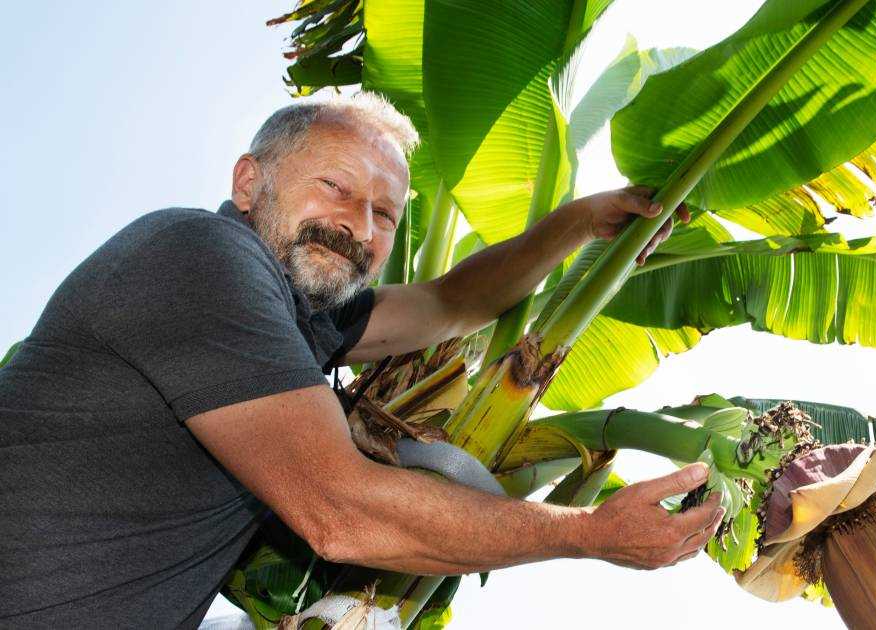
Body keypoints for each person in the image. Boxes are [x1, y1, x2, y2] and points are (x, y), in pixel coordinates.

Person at [0, 93, 724, 628]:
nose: (358, 227)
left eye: (385, 214)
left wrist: (578, 224)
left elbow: (452, 301)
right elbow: (337, 510)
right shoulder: (198, 258)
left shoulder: (304, 314)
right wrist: (589, 534)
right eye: (336, 189)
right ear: (250, 183)